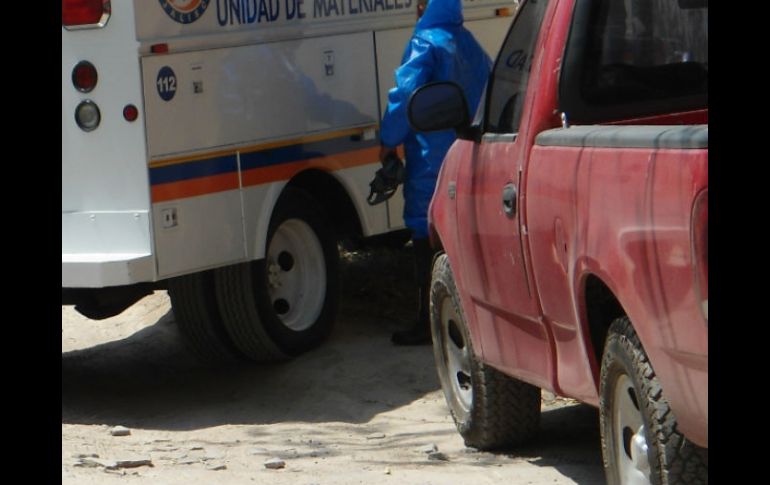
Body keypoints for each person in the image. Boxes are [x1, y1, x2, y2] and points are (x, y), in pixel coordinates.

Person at [380, 0, 491, 345]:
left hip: (432, 161)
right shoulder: (468, 43)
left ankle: (429, 322)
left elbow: (405, 97)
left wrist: (387, 140)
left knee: (425, 235)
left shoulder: (425, 42)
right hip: (470, 155)